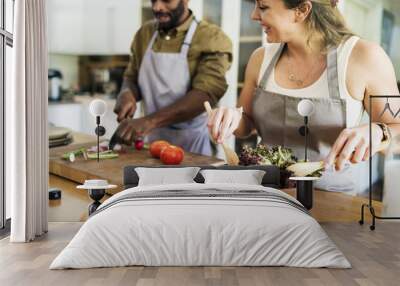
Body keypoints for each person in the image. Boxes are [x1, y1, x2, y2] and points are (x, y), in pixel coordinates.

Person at [208, 0, 400, 193]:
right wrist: (231, 118)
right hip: (263, 191)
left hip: (328, 198)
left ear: (302, 10)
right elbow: (246, 126)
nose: (254, 15)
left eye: (263, 7)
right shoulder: (260, 58)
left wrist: (379, 131)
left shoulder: (363, 56)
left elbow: (397, 126)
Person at [113, 0, 232, 156]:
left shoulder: (211, 38)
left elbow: (205, 93)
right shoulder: (145, 33)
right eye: (153, 0)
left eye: (166, 0)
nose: (157, 7)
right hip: (151, 144)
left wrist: (149, 121)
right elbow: (132, 76)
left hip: (193, 147)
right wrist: (127, 93)